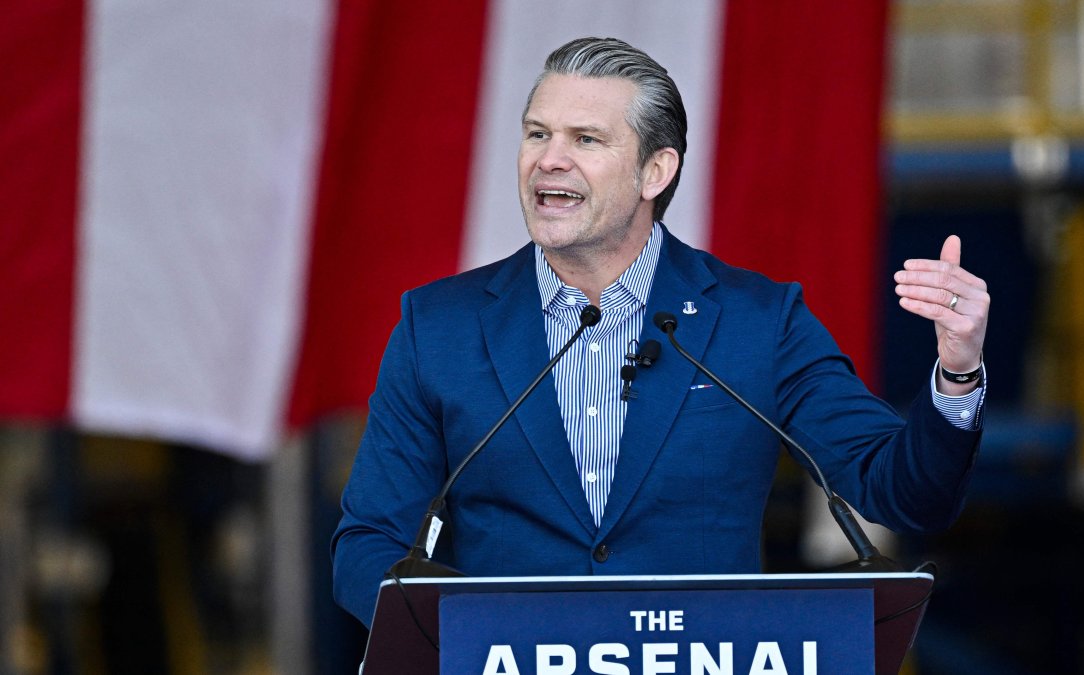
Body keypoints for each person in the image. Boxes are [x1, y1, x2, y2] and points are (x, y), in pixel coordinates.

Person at [331, 37, 989, 628]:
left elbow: (901, 493)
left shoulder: (760, 321)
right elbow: (367, 544)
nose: (549, 160)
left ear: (656, 171)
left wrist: (957, 370)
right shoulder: (438, 327)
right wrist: (458, 642)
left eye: (586, 140)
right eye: (537, 134)